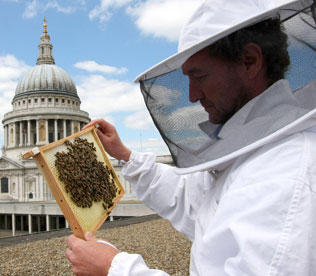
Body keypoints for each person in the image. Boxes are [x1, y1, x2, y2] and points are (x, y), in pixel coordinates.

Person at [65, 0, 316, 275]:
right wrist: (126, 156)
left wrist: (114, 268)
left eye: (199, 76)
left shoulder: (286, 177)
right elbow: (195, 200)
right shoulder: (256, 152)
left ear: (250, 61)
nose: (192, 95)